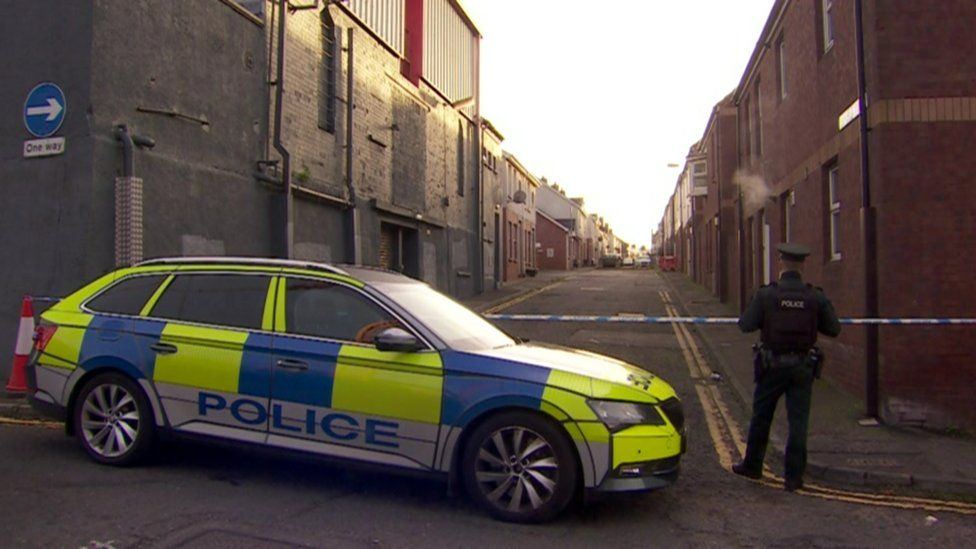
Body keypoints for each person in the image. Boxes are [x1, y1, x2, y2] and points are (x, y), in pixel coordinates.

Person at [731, 243, 841, 491]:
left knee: (761, 416)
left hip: (772, 366)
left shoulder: (767, 295)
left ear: (780, 263)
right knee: (798, 423)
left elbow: (745, 325)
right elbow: (834, 329)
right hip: (803, 368)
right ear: (803, 265)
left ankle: (753, 466)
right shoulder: (814, 296)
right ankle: (793, 478)